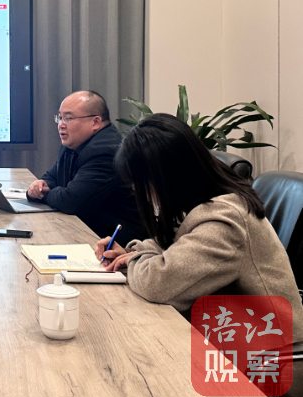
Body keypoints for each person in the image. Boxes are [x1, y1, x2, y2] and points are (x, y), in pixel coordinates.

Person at [96, 113, 303, 341]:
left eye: (141, 183)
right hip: (230, 335)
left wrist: (134, 260)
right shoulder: (199, 202)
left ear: (166, 177)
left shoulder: (225, 221)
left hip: (265, 351)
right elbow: (168, 246)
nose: (139, 191)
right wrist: (131, 254)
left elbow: (157, 284)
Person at [26, 90, 145, 241]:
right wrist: (40, 185)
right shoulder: (73, 144)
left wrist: (43, 194)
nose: (61, 125)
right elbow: (52, 176)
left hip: (117, 243)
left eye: (68, 118)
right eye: (60, 118)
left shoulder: (106, 151)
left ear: (95, 122)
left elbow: (71, 201)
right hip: (86, 231)